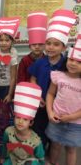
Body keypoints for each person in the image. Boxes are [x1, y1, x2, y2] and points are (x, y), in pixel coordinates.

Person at [29, 9, 76, 146]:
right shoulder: (40, 62)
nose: (51, 47)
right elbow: (33, 79)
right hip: (41, 103)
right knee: (39, 128)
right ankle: (40, 151)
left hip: (59, 107)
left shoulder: (67, 65)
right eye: (48, 43)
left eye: (56, 44)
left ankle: (51, 151)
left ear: (63, 47)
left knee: (55, 133)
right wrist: (38, 96)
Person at [45, 35, 81, 165]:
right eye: (71, 59)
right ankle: (53, 162)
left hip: (76, 123)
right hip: (56, 118)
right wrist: (50, 112)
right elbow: (50, 94)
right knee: (55, 145)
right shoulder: (58, 76)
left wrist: (71, 117)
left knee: (71, 149)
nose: (73, 63)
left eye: (79, 61)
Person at [2, 82, 45, 165]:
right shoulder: (8, 132)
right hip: (13, 158)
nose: (20, 121)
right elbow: (5, 146)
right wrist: (4, 157)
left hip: (28, 161)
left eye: (25, 119)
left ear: (31, 122)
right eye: (18, 117)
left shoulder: (36, 141)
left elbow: (41, 158)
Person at [0, 17, 20, 134]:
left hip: (6, 86)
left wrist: (10, 93)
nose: (3, 43)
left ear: (12, 41)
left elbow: (14, 76)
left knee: (5, 108)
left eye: (7, 40)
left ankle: (5, 126)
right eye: (1, 40)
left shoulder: (13, 56)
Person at [17, 11, 47, 83]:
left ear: (44, 46)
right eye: (34, 44)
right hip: (27, 90)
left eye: (40, 44)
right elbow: (21, 78)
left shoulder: (47, 60)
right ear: (30, 46)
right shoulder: (24, 61)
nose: (37, 47)